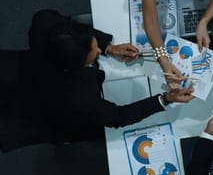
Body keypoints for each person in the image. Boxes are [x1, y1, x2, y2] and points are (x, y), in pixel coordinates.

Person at [29, 9, 195, 142]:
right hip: (42, 113)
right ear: (78, 65)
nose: (99, 51)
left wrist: (109, 47)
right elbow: (118, 116)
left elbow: (74, 28)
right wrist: (166, 99)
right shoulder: (78, 95)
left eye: (96, 44)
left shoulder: (44, 20)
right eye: (95, 52)